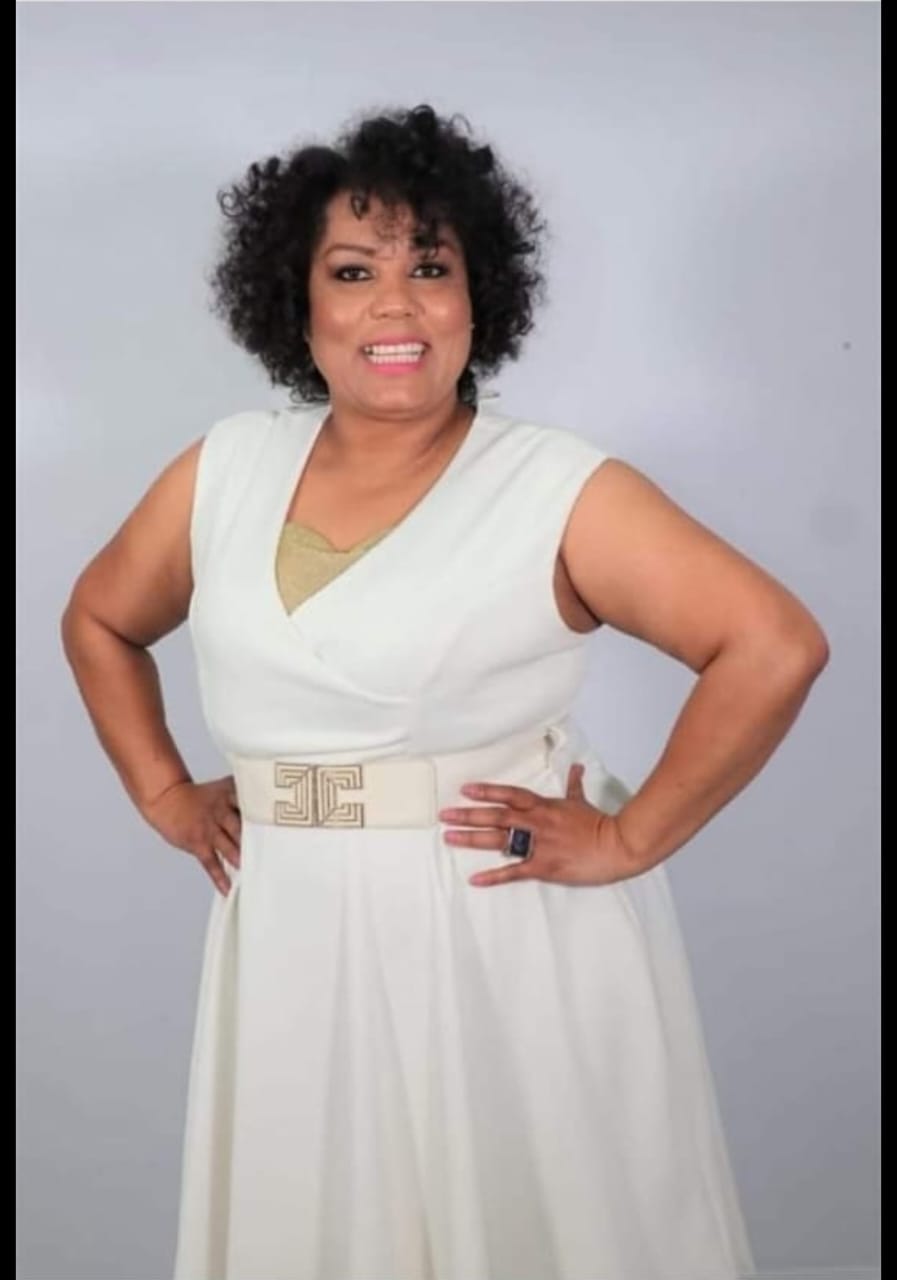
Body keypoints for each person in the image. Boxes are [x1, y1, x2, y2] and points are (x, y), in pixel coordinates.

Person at [61, 103, 828, 1280]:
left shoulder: (555, 486)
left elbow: (773, 643)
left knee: (524, 1226)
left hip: (495, 928)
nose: (396, 306)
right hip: (290, 923)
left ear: (479, 296)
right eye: (352, 271)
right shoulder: (226, 468)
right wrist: (166, 792)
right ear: (298, 302)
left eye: (430, 267)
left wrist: (629, 837)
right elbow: (101, 619)